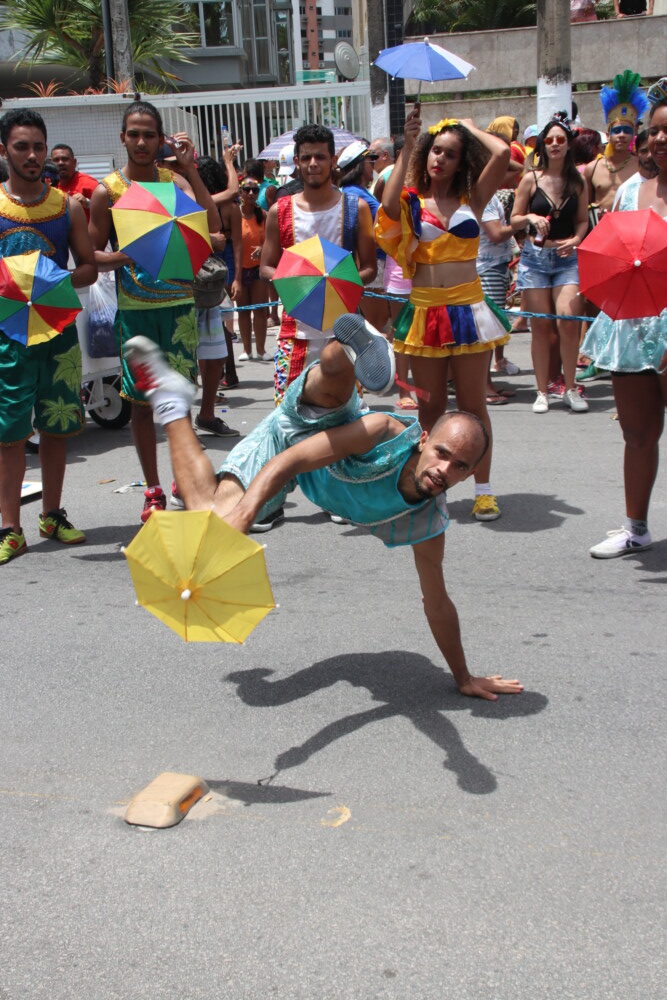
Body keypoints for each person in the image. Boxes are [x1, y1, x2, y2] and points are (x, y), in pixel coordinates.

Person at [124, 320, 524, 702]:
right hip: (308, 437)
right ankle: (350, 347)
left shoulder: (427, 522)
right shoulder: (383, 432)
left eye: (460, 467)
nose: (444, 470)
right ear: (423, 440)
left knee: (207, 512)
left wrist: (463, 677)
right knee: (329, 387)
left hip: (299, 466)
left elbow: (437, 603)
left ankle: (171, 401)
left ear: (470, 474)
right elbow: (291, 460)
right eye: (442, 453)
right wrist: (244, 517)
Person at [376, 108, 512, 522]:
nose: (441, 159)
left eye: (451, 154)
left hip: (468, 310)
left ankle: (483, 491)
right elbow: (386, 203)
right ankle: (431, 488)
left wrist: (467, 128)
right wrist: (408, 147)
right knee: (430, 408)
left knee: (473, 406)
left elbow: (502, 154)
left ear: (461, 161)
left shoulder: (474, 198)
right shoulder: (411, 200)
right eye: (436, 150)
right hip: (425, 311)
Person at [89, 101, 220, 522]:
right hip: (136, 311)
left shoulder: (173, 182)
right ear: (123, 138)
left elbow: (212, 228)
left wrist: (192, 170)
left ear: (160, 139)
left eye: (149, 135)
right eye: (134, 134)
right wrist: (126, 256)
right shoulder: (108, 191)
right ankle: (153, 489)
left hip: (179, 305)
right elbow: (91, 256)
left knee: (179, 399)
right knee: (142, 405)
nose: (141, 142)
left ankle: (184, 476)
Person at [0, 108, 97, 565]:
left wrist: (53, 284)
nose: (33, 155)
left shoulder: (67, 206)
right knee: (9, 434)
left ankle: (52, 514)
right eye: (22, 146)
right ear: (4, 150)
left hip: (58, 335)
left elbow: (89, 267)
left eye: (38, 146)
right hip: (7, 338)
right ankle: (10, 528)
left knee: (57, 427)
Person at [580, 97, 667, 558]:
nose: (661, 138)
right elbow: (615, 251)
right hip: (634, 324)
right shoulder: (632, 190)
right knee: (637, 434)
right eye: (656, 129)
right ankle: (636, 528)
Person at [261, 123, 376, 406]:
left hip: (343, 332)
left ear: (333, 160)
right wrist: (297, 283)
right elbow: (265, 267)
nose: (313, 163)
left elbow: (370, 267)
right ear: (297, 162)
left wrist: (339, 282)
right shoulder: (279, 211)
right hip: (295, 331)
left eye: (320, 157)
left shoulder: (355, 208)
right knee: (288, 413)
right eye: (306, 157)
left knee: (346, 413)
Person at [511, 115, 589, 414]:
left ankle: (570, 387)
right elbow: (514, 219)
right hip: (536, 258)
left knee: (568, 322)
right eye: (549, 140)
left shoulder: (577, 181)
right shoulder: (530, 179)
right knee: (541, 325)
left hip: (567, 257)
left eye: (560, 140)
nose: (555, 144)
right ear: (543, 145)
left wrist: (577, 239)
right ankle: (542, 391)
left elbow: (582, 220)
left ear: (568, 145)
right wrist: (531, 217)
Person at [584, 70, 648, 218]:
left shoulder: (641, 165)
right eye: (617, 131)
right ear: (608, 135)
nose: (622, 135)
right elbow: (584, 209)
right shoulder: (592, 169)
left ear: (634, 134)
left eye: (627, 131)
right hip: (601, 229)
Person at [237, 175, 269, 361]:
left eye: (255, 190)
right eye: (247, 189)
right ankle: (246, 349)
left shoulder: (263, 215)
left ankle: (261, 350)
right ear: (240, 192)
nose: (251, 193)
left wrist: (262, 248)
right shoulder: (235, 214)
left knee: (260, 310)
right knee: (243, 310)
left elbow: (272, 240)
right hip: (240, 269)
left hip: (257, 268)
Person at [51, 143, 98, 220]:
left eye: (65, 159)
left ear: (74, 162)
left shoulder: (89, 183)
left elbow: (107, 209)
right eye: (56, 160)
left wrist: (88, 203)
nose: (60, 163)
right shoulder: (49, 186)